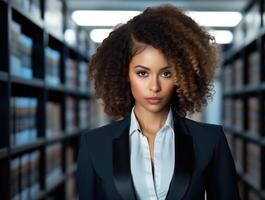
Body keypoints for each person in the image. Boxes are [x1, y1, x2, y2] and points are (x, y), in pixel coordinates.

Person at [77, 4, 240, 200]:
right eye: (142, 73)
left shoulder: (209, 140)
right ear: (125, 74)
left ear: (182, 76)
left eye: (166, 73)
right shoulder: (94, 144)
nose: (154, 86)